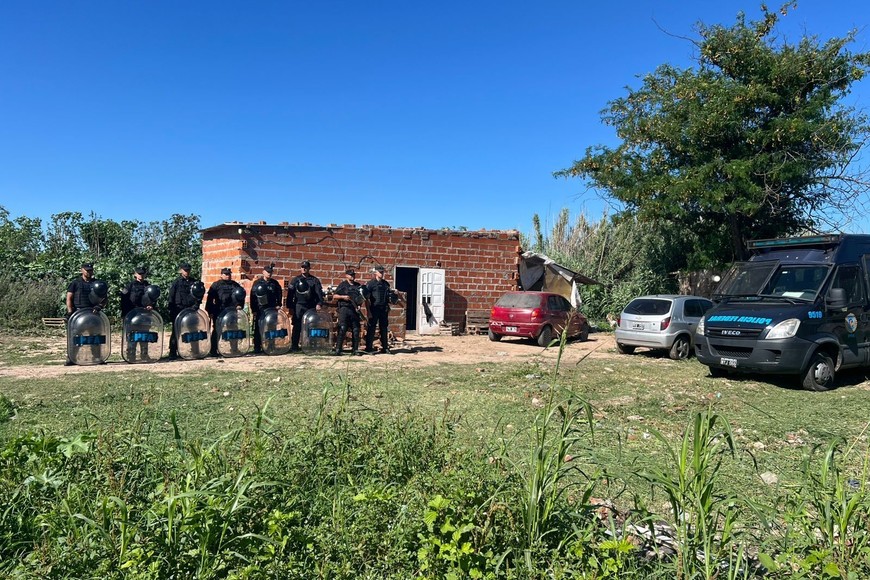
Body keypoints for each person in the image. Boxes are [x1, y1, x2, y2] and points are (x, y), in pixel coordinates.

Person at [65, 262, 107, 365]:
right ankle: (71, 358)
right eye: (87, 270)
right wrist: (70, 312)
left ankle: (97, 357)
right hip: (79, 314)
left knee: (95, 337)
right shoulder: (75, 283)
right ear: (82, 270)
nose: (89, 272)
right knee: (75, 337)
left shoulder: (97, 283)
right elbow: (69, 298)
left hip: (93, 314)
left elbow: (105, 298)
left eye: (91, 270)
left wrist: (99, 306)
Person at [206, 267, 244, 356]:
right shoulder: (216, 285)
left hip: (231, 311)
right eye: (226, 274)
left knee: (233, 330)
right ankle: (213, 350)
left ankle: (234, 349)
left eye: (229, 274)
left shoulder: (235, 285)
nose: (228, 276)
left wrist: (239, 306)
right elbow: (210, 300)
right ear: (221, 275)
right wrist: (210, 311)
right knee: (217, 330)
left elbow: (240, 296)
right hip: (219, 310)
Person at [287, 260, 324, 352]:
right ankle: (294, 346)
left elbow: (319, 293)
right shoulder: (295, 280)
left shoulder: (314, 280)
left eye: (306, 267)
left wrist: (319, 303)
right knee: (297, 325)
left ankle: (311, 345)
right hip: (299, 305)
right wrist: (290, 307)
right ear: (300, 268)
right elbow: (290, 295)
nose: (304, 269)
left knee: (311, 325)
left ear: (309, 268)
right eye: (302, 267)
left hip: (310, 305)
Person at [120, 266, 155, 361]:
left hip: (144, 314)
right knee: (132, 336)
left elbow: (153, 299)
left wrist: (151, 306)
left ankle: (144, 355)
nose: (141, 275)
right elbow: (123, 300)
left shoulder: (148, 286)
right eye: (139, 273)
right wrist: (125, 314)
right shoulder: (130, 286)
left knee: (144, 335)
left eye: (143, 273)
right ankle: (131, 355)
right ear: (135, 274)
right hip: (132, 314)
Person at [167, 262, 199, 359]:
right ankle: (173, 352)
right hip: (178, 309)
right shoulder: (176, 283)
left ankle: (195, 351)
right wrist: (171, 310)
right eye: (185, 270)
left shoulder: (194, 282)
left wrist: (196, 306)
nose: (187, 272)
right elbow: (171, 297)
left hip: (190, 309)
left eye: (188, 270)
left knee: (193, 330)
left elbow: (198, 295)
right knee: (176, 331)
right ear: (181, 271)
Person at [250, 263, 283, 354]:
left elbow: (279, 294)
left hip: (272, 308)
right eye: (267, 272)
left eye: (270, 272)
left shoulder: (274, 283)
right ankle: (257, 347)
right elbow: (253, 297)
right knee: (258, 328)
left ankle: (271, 346)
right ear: (263, 272)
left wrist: (278, 304)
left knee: (271, 328)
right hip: (261, 309)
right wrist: (254, 309)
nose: (269, 274)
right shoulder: (257, 283)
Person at [332, 269, 365, 356]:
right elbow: (335, 296)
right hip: (344, 309)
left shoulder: (358, 286)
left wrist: (359, 305)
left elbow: (361, 298)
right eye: (350, 275)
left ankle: (355, 349)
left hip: (354, 310)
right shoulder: (343, 285)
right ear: (346, 275)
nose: (352, 276)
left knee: (356, 329)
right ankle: (338, 349)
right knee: (342, 329)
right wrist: (343, 297)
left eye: (353, 275)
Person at [365, 265, 394, 354]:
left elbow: (389, 296)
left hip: (383, 308)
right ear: (375, 273)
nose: (381, 273)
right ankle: (369, 348)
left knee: (384, 328)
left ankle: (385, 347)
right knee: (371, 328)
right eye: (380, 272)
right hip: (374, 308)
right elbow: (366, 298)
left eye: (382, 272)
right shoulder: (370, 284)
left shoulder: (386, 284)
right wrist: (368, 311)